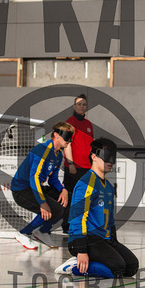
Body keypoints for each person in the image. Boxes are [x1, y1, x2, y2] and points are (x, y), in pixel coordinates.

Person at [54, 138, 139, 279]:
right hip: (84, 239)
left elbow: (109, 219)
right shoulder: (87, 183)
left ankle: (96, 260)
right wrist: (81, 250)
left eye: (113, 156)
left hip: (103, 238)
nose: (111, 161)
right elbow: (77, 218)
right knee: (117, 268)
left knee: (131, 266)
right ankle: (75, 266)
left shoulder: (108, 187)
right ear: (94, 156)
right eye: (107, 156)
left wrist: (114, 242)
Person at [11, 122, 74, 249]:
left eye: (70, 137)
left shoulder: (59, 154)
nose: (69, 141)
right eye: (67, 137)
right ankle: (23, 233)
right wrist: (42, 203)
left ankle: (42, 232)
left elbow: (53, 179)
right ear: (56, 135)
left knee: (70, 199)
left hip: (35, 186)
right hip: (21, 189)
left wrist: (63, 190)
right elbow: (34, 177)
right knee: (55, 209)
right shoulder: (43, 150)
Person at [62, 94, 94, 234]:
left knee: (84, 197)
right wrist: (71, 164)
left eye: (84, 104)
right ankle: (67, 226)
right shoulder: (69, 123)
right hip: (73, 168)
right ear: (74, 106)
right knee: (70, 197)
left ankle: (81, 223)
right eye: (79, 104)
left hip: (87, 167)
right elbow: (67, 145)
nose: (81, 107)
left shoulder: (88, 124)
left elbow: (90, 146)